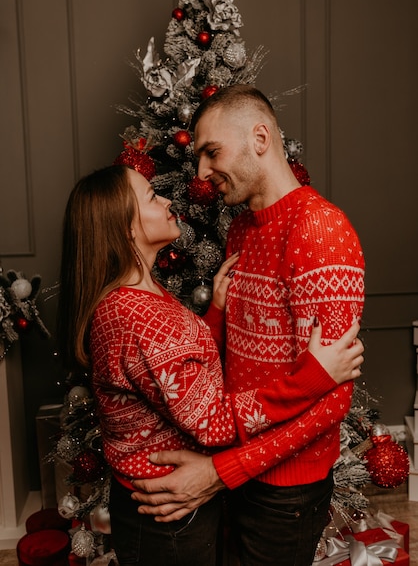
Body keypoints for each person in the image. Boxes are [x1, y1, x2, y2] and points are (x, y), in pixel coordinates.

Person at [56, 163, 363, 566]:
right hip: (168, 517)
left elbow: (179, 377)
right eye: (151, 196)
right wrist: (314, 377)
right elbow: (214, 422)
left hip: (160, 504)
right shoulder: (140, 317)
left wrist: (216, 314)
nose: (168, 199)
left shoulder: (133, 296)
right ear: (126, 227)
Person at [130, 85, 366, 566]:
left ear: (260, 137)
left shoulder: (320, 230)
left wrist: (221, 471)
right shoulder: (242, 227)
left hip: (284, 493)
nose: (200, 173)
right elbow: (229, 359)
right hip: (239, 469)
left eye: (211, 152)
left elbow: (332, 397)